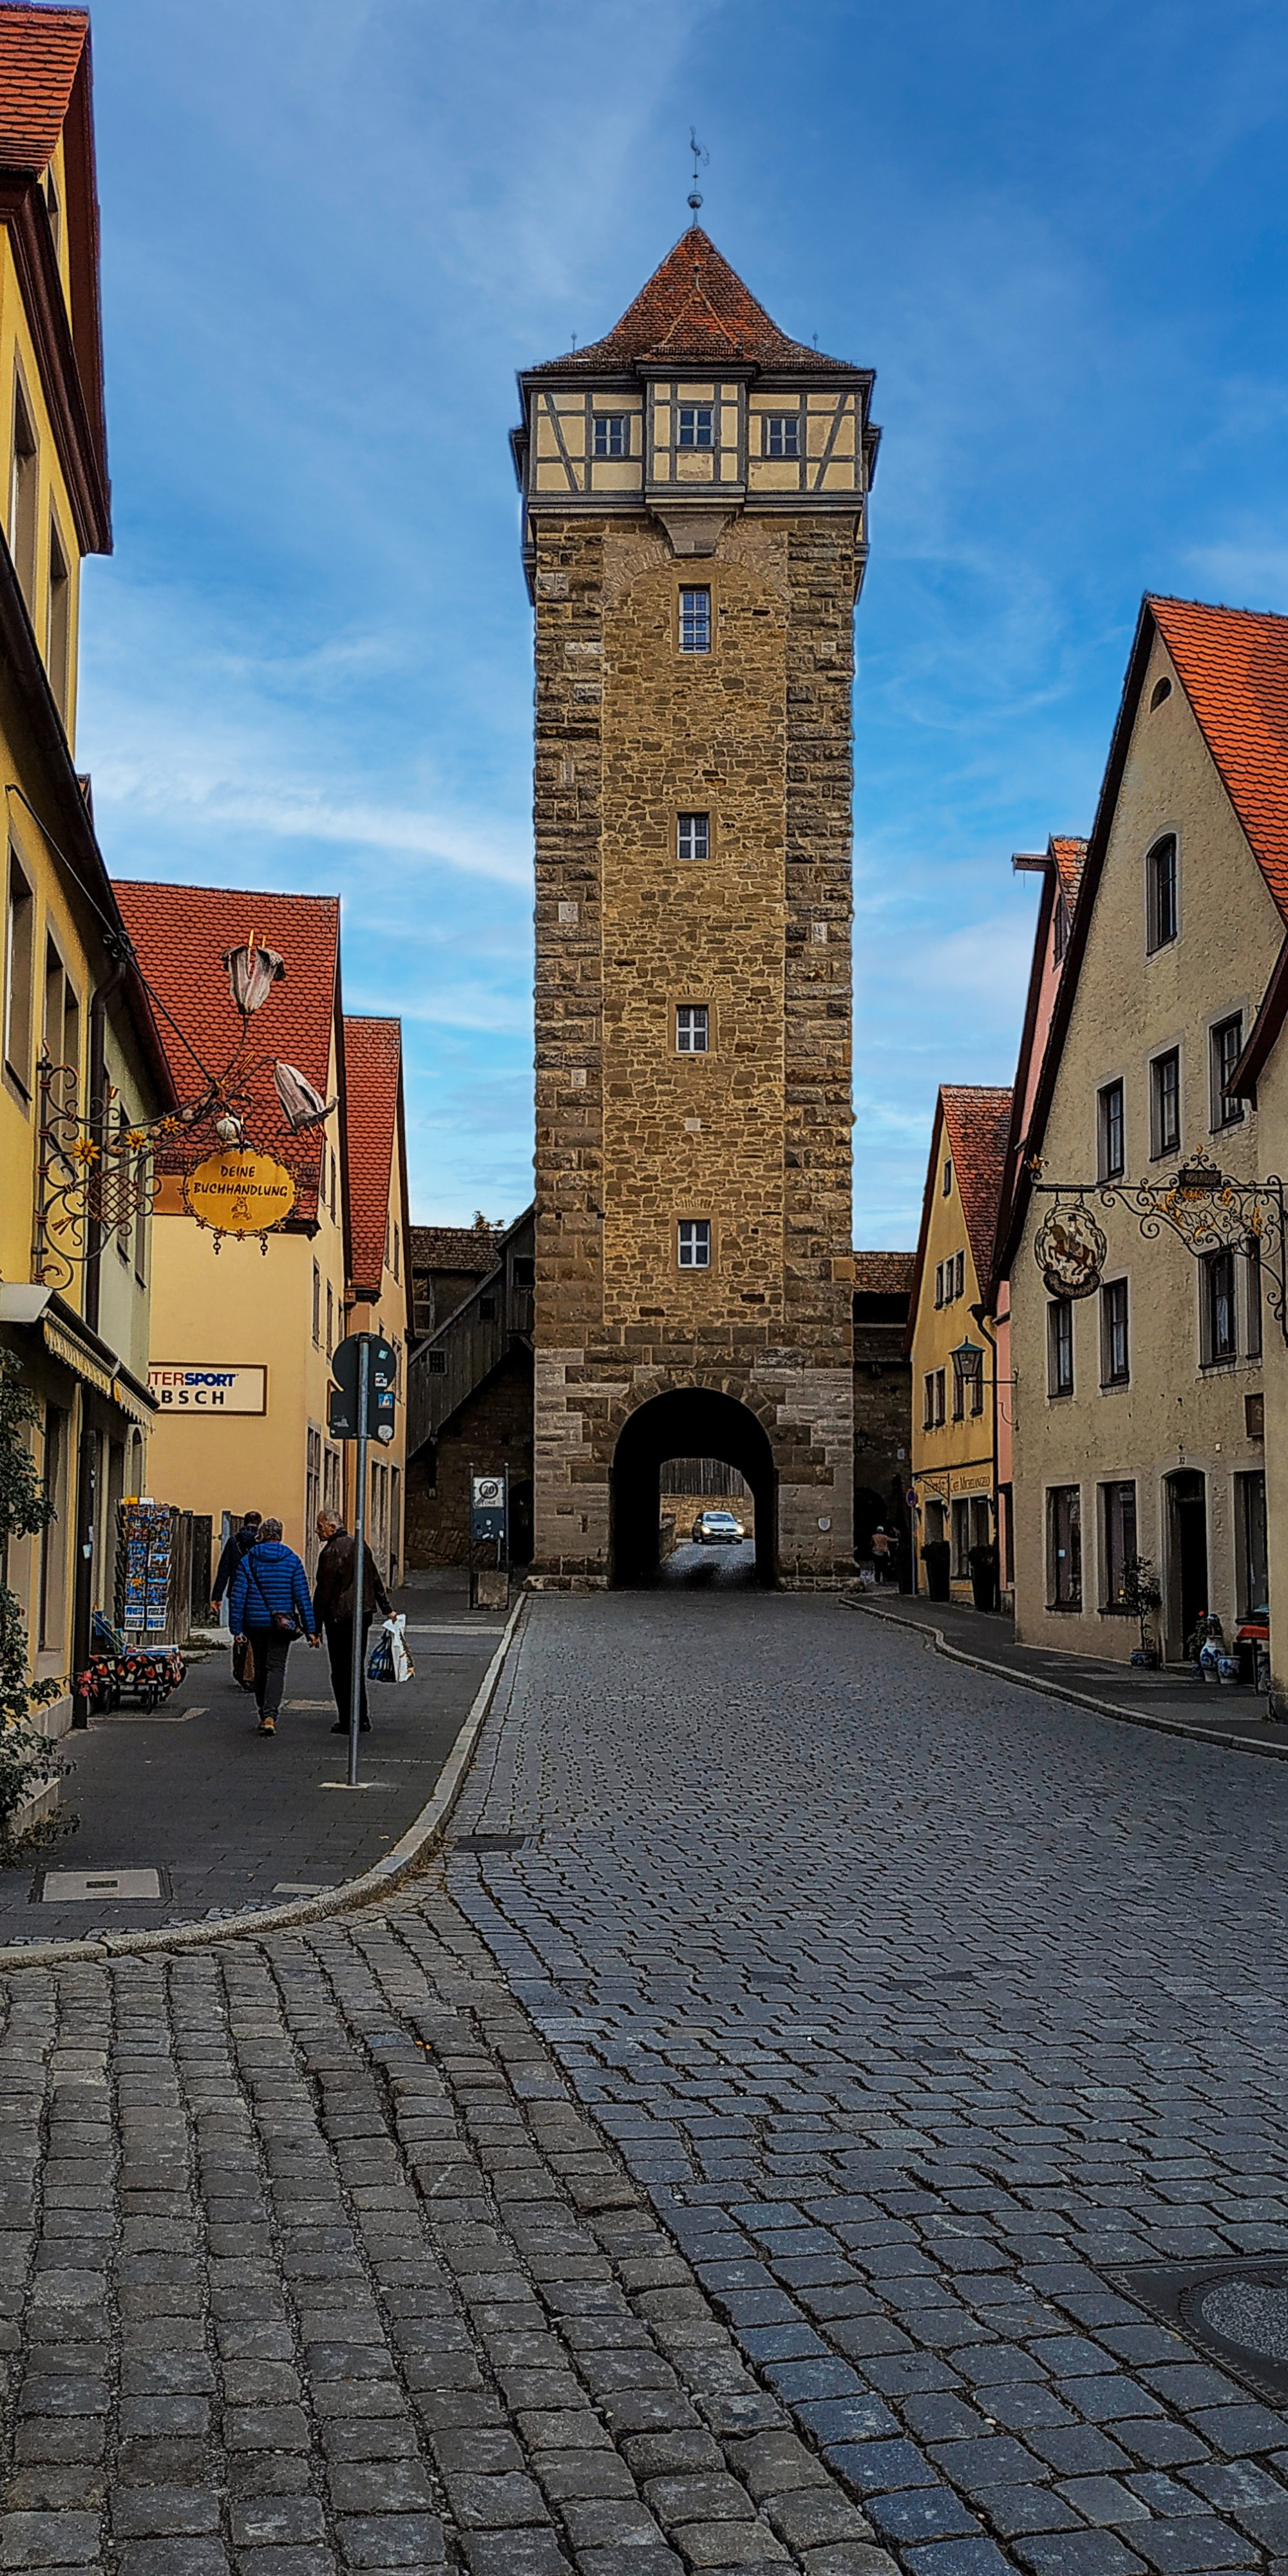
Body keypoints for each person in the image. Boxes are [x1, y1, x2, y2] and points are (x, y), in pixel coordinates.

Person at [227, 1518, 317, 1736]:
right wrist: (311, 1629)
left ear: (262, 1536)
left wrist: (236, 1629)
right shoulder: (292, 1561)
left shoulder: (248, 1561)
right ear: (280, 1536)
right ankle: (270, 1715)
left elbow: (238, 1598)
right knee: (276, 1668)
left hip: (255, 1624)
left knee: (259, 1667)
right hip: (282, 1625)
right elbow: (302, 1597)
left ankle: (262, 1711)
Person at [313, 1509, 393, 1734]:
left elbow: (323, 1593)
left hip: (340, 1617)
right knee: (355, 1666)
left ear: (332, 1528)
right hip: (363, 1613)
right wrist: (387, 1608)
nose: (317, 1531)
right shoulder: (360, 1545)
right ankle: (362, 1717)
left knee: (340, 1670)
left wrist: (314, 1626)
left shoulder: (331, 1552)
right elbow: (375, 1578)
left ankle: (347, 1720)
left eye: (320, 1526)